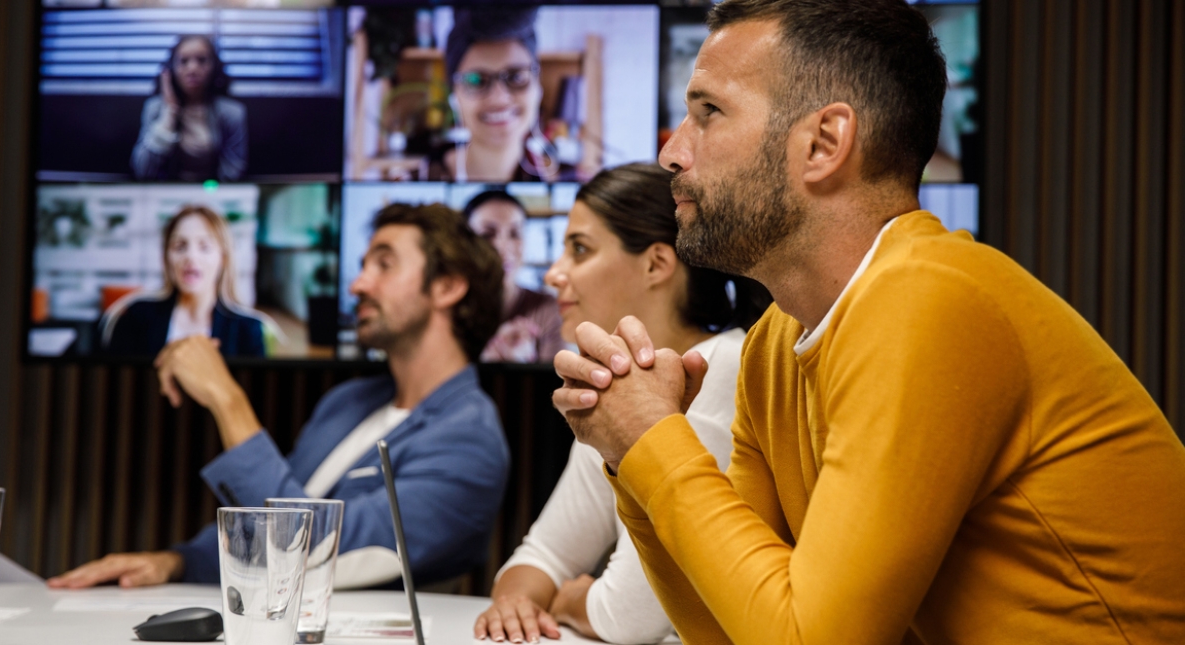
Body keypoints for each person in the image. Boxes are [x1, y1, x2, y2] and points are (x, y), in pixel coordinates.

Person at [551, 1, 1185, 644]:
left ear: (825, 144)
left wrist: (655, 440)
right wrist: (632, 456)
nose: (672, 152)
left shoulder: (927, 299)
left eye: (708, 113)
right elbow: (727, 631)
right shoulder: (776, 341)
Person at [52, 203, 510, 590]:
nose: (358, 285)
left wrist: (227, 398)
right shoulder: (348, 401)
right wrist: (177, 563)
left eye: (384, 265)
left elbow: (315, 551)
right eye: (363, 266)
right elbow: (270, 520)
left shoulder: (469, 436)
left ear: (447, 287)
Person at [474, 163, 768, 644]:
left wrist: (566, 600)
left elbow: (629, 616)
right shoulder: (620, 384)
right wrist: (517, 604)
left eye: (580, 249)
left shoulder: (725, 364)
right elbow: (539, 558)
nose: (553, 274)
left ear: (656, 264)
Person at [101, 205, 270, 358]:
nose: (190, 256)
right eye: (180, 246)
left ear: (223, 258)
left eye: (204, 246)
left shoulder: (248, 330)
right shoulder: (135, 317)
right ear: (166, 258)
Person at [429, 7, 571, 183]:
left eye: (517, 77)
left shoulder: (569, 186)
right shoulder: (417, 183)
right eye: (477, 80)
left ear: (538, 88)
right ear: (454, 96)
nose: (499, 98)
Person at [463, 189, 564, 363]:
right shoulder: (446, 312)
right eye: (487, 234)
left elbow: (558, 385)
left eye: (515, 233)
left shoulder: (547, 308)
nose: (503, 247)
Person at [131, 35, 247, 182]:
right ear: (171, 68)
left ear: (214, 66)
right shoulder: (155, 108)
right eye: (184, 61)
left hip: (212, 197)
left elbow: (233, 173)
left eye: (202, 60)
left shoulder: (232, 113)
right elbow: (142, 171)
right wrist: (170, 114)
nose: (192, 68)